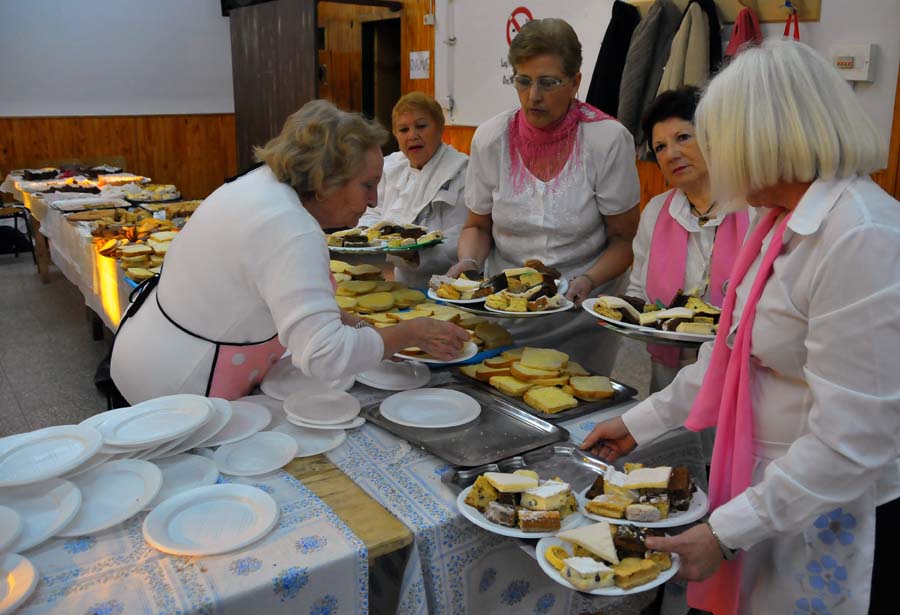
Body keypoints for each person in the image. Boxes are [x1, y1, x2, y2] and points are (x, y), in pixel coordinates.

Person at [582, 40, 898, 615]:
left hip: (828, 503)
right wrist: (637, 423)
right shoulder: (778, 222)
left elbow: (854, 439)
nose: (709, 155)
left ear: (765, 137)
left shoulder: (861, 235)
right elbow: (730, 357)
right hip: (770, 490)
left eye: (716, 139)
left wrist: (727, 531)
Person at [111, 100, 469, 403]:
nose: (375, 200)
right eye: (367, 185)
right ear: (324, 179)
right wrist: (413, 333)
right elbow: (326, 357)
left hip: (157, 353)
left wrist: (361, 325)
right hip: (179, 384)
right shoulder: (287, 228)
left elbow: (284, 300)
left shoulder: (262, 185)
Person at [449, 18, 640, 374]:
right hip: (508, 309)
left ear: (575, 82)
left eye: (548, 83)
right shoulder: (491, 139)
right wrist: (470, 265)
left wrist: (588, 280)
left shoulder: (606, 141)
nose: (533, 95)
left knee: (576, 401)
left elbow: (624, 239)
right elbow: (477, 226)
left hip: (582, 312)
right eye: (522, 80)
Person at [625, 86, 749, 393]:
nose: (672, 154)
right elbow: (638, 290)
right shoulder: (657, 211)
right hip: (670, 375)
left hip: (741, 372)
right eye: (661, 147)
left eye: (683, 138)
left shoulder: (753, 206)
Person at [358, 92, 468, 288]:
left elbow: (461, 236)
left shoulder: (461, 172)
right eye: (403, 129)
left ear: (440, 128)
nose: (412, 135)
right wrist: (369, 234)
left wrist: (412, 253)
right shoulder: (389, 167)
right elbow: (372, 211)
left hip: (452, 285)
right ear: (395, 134)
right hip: (402, 284)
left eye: (421, 126)